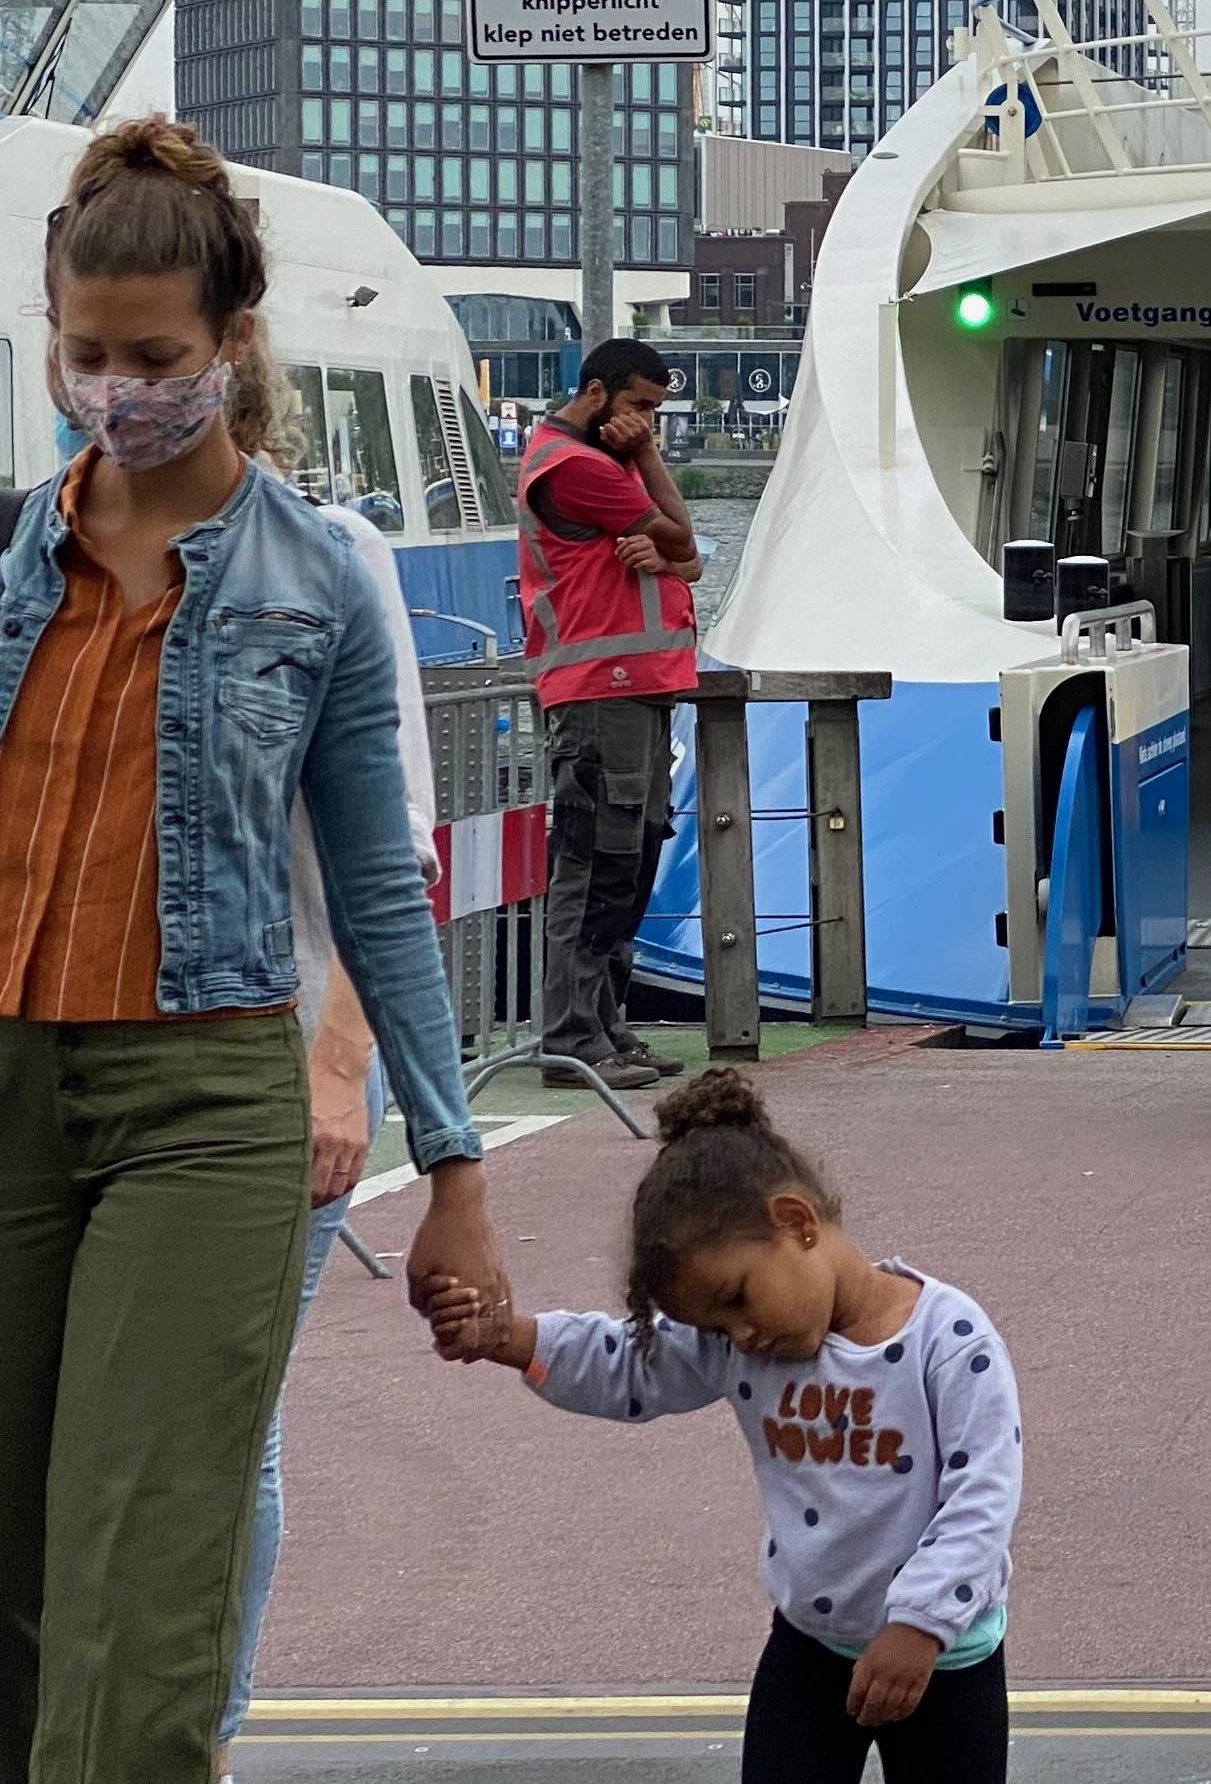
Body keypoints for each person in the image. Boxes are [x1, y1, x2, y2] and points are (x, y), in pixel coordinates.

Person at [0, 114, 500, 1777]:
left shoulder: (320, 573)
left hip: (209, 1092)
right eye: (86, 353)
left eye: (154, 353)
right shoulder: (11, 556)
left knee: (149, 1558)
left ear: (231, 339)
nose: (118, 385)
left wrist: (452, 1156)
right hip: (12, 1074)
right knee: (14, 1567)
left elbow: (379, 881)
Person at [424, 1071, 1022, 1784]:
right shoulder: (740, 1344)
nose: (741, 1335)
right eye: (714, 1325)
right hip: (809, 1648)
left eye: (738, 1298)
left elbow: (982, 1497)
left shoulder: (948, 1339)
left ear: (798, 1223)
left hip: (941, 1657)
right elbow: (627, 1367)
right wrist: (507, 1338)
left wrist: (920, 1625)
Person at [217, 313, 444, 1753]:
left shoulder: (332, 558)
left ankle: (208, 1729)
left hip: (281, 1056)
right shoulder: (45, 552)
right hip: (96, 1056)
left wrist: (342, 1068)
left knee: (228, 1428)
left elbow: (387, 853)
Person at [520, 335, 702, 1092]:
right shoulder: (577, 468)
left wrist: (668, 550)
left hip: (634, 686)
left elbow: (685, 559)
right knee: (594, 865)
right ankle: (573, 1038)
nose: (646, 425)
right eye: (638, 408)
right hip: (601, 688)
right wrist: (650, 469)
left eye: (656, 414)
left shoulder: (602, 461)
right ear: (595, 395)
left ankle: (606, 1029)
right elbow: (684, 536)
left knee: (627, 865)